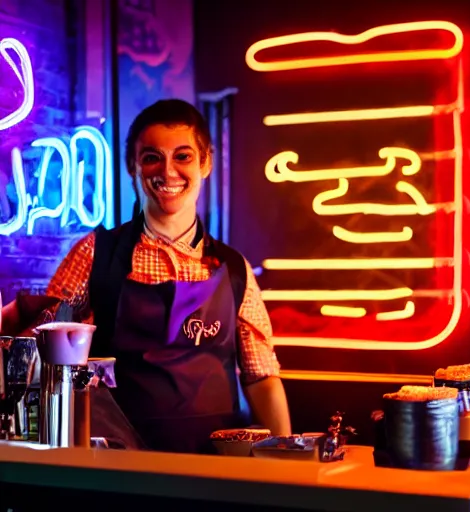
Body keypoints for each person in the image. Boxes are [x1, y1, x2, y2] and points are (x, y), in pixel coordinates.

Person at [29, 98, 291, 453]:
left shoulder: (233, 269)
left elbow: (262, 379)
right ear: (132, 167)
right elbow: (41, 347)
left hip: (218, 467)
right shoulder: (95, 254)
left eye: (182, 156)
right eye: (152, 157)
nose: (168, 172)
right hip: (120, 466)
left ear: (206, 163)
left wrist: (286, 459)